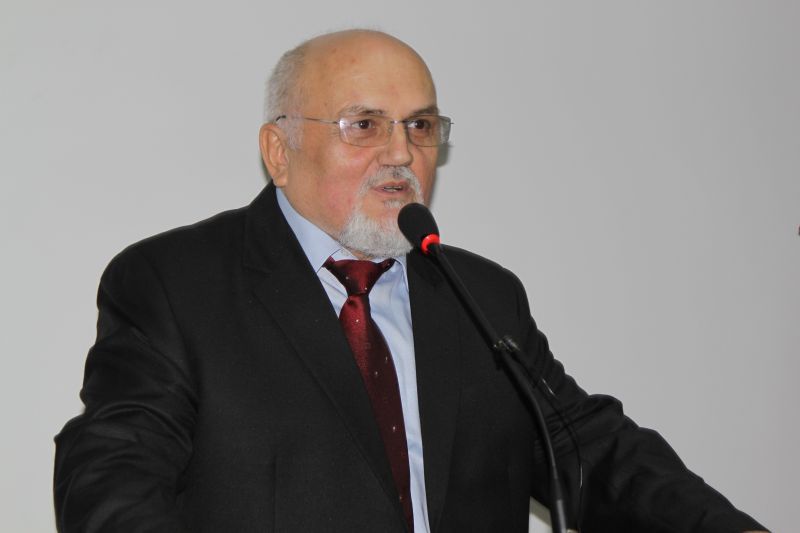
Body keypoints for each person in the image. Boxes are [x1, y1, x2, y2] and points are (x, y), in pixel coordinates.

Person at [53, 29, 768, 533]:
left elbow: (591, 451)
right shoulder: (177, 284)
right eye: (364, 125)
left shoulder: (480, 296)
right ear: (279, 150)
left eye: (421, 126)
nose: (401, 152)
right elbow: (112, 478)